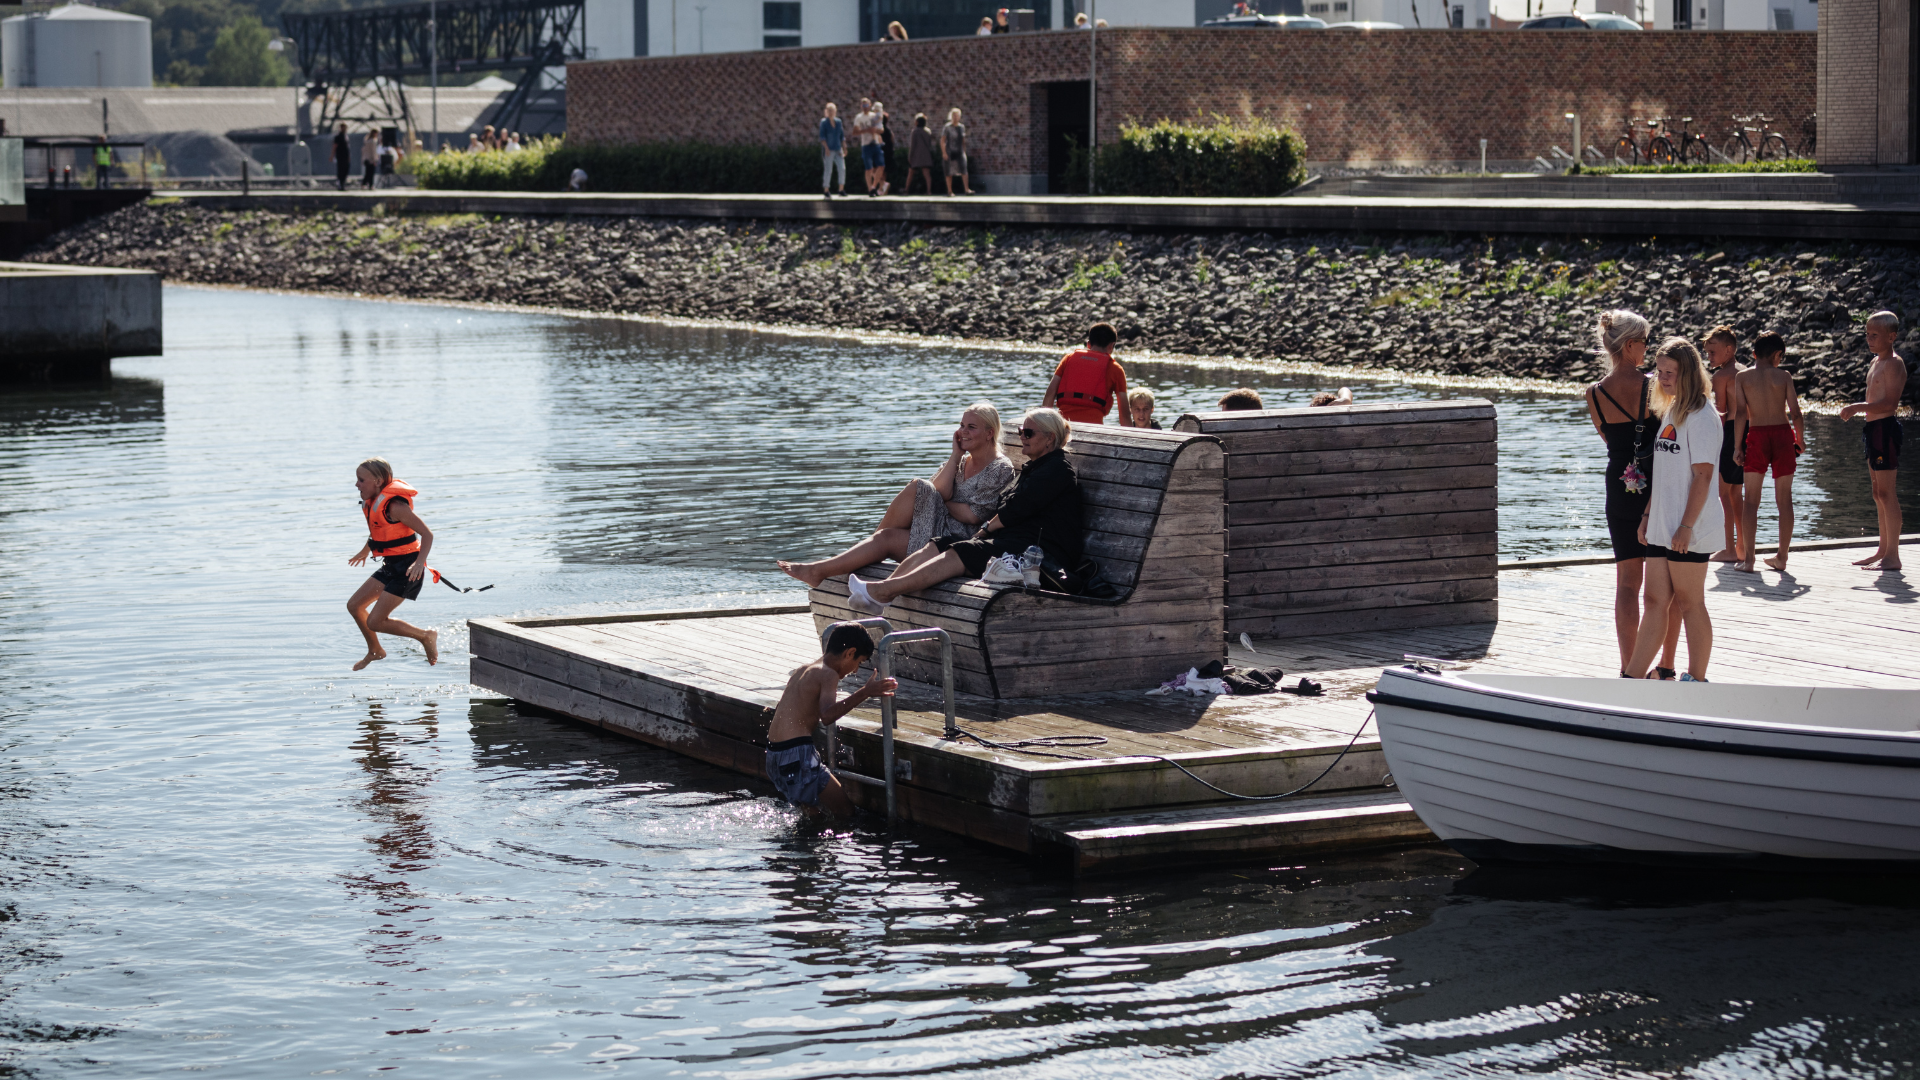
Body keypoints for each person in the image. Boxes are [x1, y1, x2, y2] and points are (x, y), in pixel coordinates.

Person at [847, 409, 1082, 613]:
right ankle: (879, 593)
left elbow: (1016, 510)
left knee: (960, 551)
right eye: (1021, 430)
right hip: (1013, 547)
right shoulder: (1034, 469)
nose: (1022, 436)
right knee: (938, 543)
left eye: (1028, 433)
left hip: (1036, 556)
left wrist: (985, 530)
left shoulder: (1058, 470)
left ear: (1050, 439)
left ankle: (882, 591)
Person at [778, 404, 1015, 587]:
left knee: (919, 487)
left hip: (958, 543)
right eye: (961, 425)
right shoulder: (961, 461)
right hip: (936, 528)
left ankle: (842, 564)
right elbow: (937, 490)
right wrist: (954, 456)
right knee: (887, 536)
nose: (963, 431)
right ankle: (818, 570)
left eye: (971, 427)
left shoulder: (1000, 468)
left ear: (989, 433)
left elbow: (973, 516)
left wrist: (943, 501)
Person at [1624, 338, 1723, 683]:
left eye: (1671, 373)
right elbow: (1664, 473)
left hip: (1688, 527)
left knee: (1690, 602)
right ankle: (1633, 678)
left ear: (1689, 374)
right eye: (1660, 372)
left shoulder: (1702, 416)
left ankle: (1696, 679)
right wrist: (1649, 515)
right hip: (1662, 525)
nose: (1663, 378)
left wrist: (1685, 525)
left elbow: (1703, 474)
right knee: (1654, 601)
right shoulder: (1673, 409)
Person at [1586, 310, 1667, 676]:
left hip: (1618, 484)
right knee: (1660, 586)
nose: (1647, 349)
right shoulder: (1655, 385)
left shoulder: (1595, 393)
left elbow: (1608, 439)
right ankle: (1656, 665)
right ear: (1631, 344)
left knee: (1626, 584)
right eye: (1645, 342)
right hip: (1657, 486)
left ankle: (1626, 666)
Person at [763, 622, 896, 817]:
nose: (856, 670)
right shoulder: (828, 674)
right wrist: (866, 692)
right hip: (796, 755)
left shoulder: (804, 669)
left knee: (813, 815)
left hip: (775, 755)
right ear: (849, 653)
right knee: (845, 812)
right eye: (859, 662)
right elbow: (827, 715)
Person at [346, 457, 440, 671]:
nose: (356, 485)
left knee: (376, 622)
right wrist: (365, 550)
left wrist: (419, 563)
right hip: (391, 565)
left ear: (378, 481)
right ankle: (375, 650)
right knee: (354, 606)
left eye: (361, 480)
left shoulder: (395, 506)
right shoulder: (374, 503)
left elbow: (427, 534)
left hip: (408, 569)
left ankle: (426, 636)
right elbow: (380, 533)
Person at [1730, 331, 1804, 573]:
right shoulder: (1784, 376)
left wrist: (1737, 446)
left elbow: (1741, 413)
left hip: (1758, 436)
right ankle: (1782, 557)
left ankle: (1749, 560)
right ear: (1777, 355)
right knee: (1784, 500)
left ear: (1753, 354)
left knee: (1751, 500)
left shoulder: (1742, 377)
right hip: (1783, 435)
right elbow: (1795, 413)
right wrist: (1800, 440)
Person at [1840, 311, 1908, 571]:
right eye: (1867, 334)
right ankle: (1882, 549)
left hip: (1885, 429)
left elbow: (1890, 403)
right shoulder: (1875, 362)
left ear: (1891, 337)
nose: (1869, 339)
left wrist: (1857, 407)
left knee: (1887, 492)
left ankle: (1893, 555)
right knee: (1877, 492)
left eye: (1875, 335)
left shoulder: (1894, 364)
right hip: (1872, 430)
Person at [1701, 326, 1747, 561]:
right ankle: (1742, 547)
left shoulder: (1721, 376)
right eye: (1707, 353)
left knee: (1722, 494)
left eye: (1712, 352)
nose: (1709, 357)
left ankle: (1729, 548)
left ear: (1729, 350)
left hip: (1729, 433)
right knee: (1736, 494)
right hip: (1748, 432)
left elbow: (1720, 412)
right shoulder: (1746, 371)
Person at [1043, 323, 1130, 426]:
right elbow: (1124, 415)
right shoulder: (1116, 369)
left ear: (1088, 344)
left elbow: (1049, 394)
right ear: (1111, 346)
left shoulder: (1068, 359)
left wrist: (1046, 425)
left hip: (1064, 426)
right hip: (1093, 428)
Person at [853, 97, 885, 197]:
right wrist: (866, 130)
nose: (865, 107)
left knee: (881, 165)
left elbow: (881, 130)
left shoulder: (874, 116)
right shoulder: (859, 117)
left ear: (870, 105)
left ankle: (874, 186)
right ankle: (869, 188)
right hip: (866, 144)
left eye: (867, 105)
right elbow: (855, 132)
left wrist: (875, 130)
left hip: (875, 143)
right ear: (861, 106)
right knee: (869, 168)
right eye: (863, 105)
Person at [940, 108, 972, 196]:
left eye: (957, 115)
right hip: (950, 151)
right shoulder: (947, 127)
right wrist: (944, 152)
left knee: (964, 169)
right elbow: (942, 140)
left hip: (959, 151)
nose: (955, 117)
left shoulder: (961, 127)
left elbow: (963, 140)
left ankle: (966, 189)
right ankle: (949, 191)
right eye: (954, 115)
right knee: (949, 171)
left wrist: (964, 151)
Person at [819, 102, 848, 197]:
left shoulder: (838, 122)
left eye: (832, 110)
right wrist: (826, 148)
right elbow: (822, 137)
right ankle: (826, 189)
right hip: (829, 149)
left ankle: (841, 189)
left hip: (837, 148)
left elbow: (841, 136)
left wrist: (844, 147)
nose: (831, 112)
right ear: (826, 111)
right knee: (828, 169)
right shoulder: (824, 122)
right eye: (829, 110)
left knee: (842, 168)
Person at [906, 113, 937, 195]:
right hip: (926, 154)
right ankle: (929, 191)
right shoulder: (928, 131)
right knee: (927, 174)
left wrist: (910, 156)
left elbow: (913, 145)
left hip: (916, 155)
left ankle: (906, 189)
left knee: (911, 173)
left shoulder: (915, 131)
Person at [875, 100, 896, 195]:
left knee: (876, 170)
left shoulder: (879, 130)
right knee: (884, 172)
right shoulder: (889, 131)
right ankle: (883, 189)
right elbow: (892, 141)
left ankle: (882, 186)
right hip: (888, 152)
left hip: (881, 151)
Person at [330, 123, 351, 191]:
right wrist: (332, 156)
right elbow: (334, 146)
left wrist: (348, 156)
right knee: (340, 171)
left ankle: (343, 183)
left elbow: (347, 148)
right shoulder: (338, 137)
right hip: (340, 156)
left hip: (345, 156)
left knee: (346, 170)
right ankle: (340, 184)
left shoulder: (346, 136)